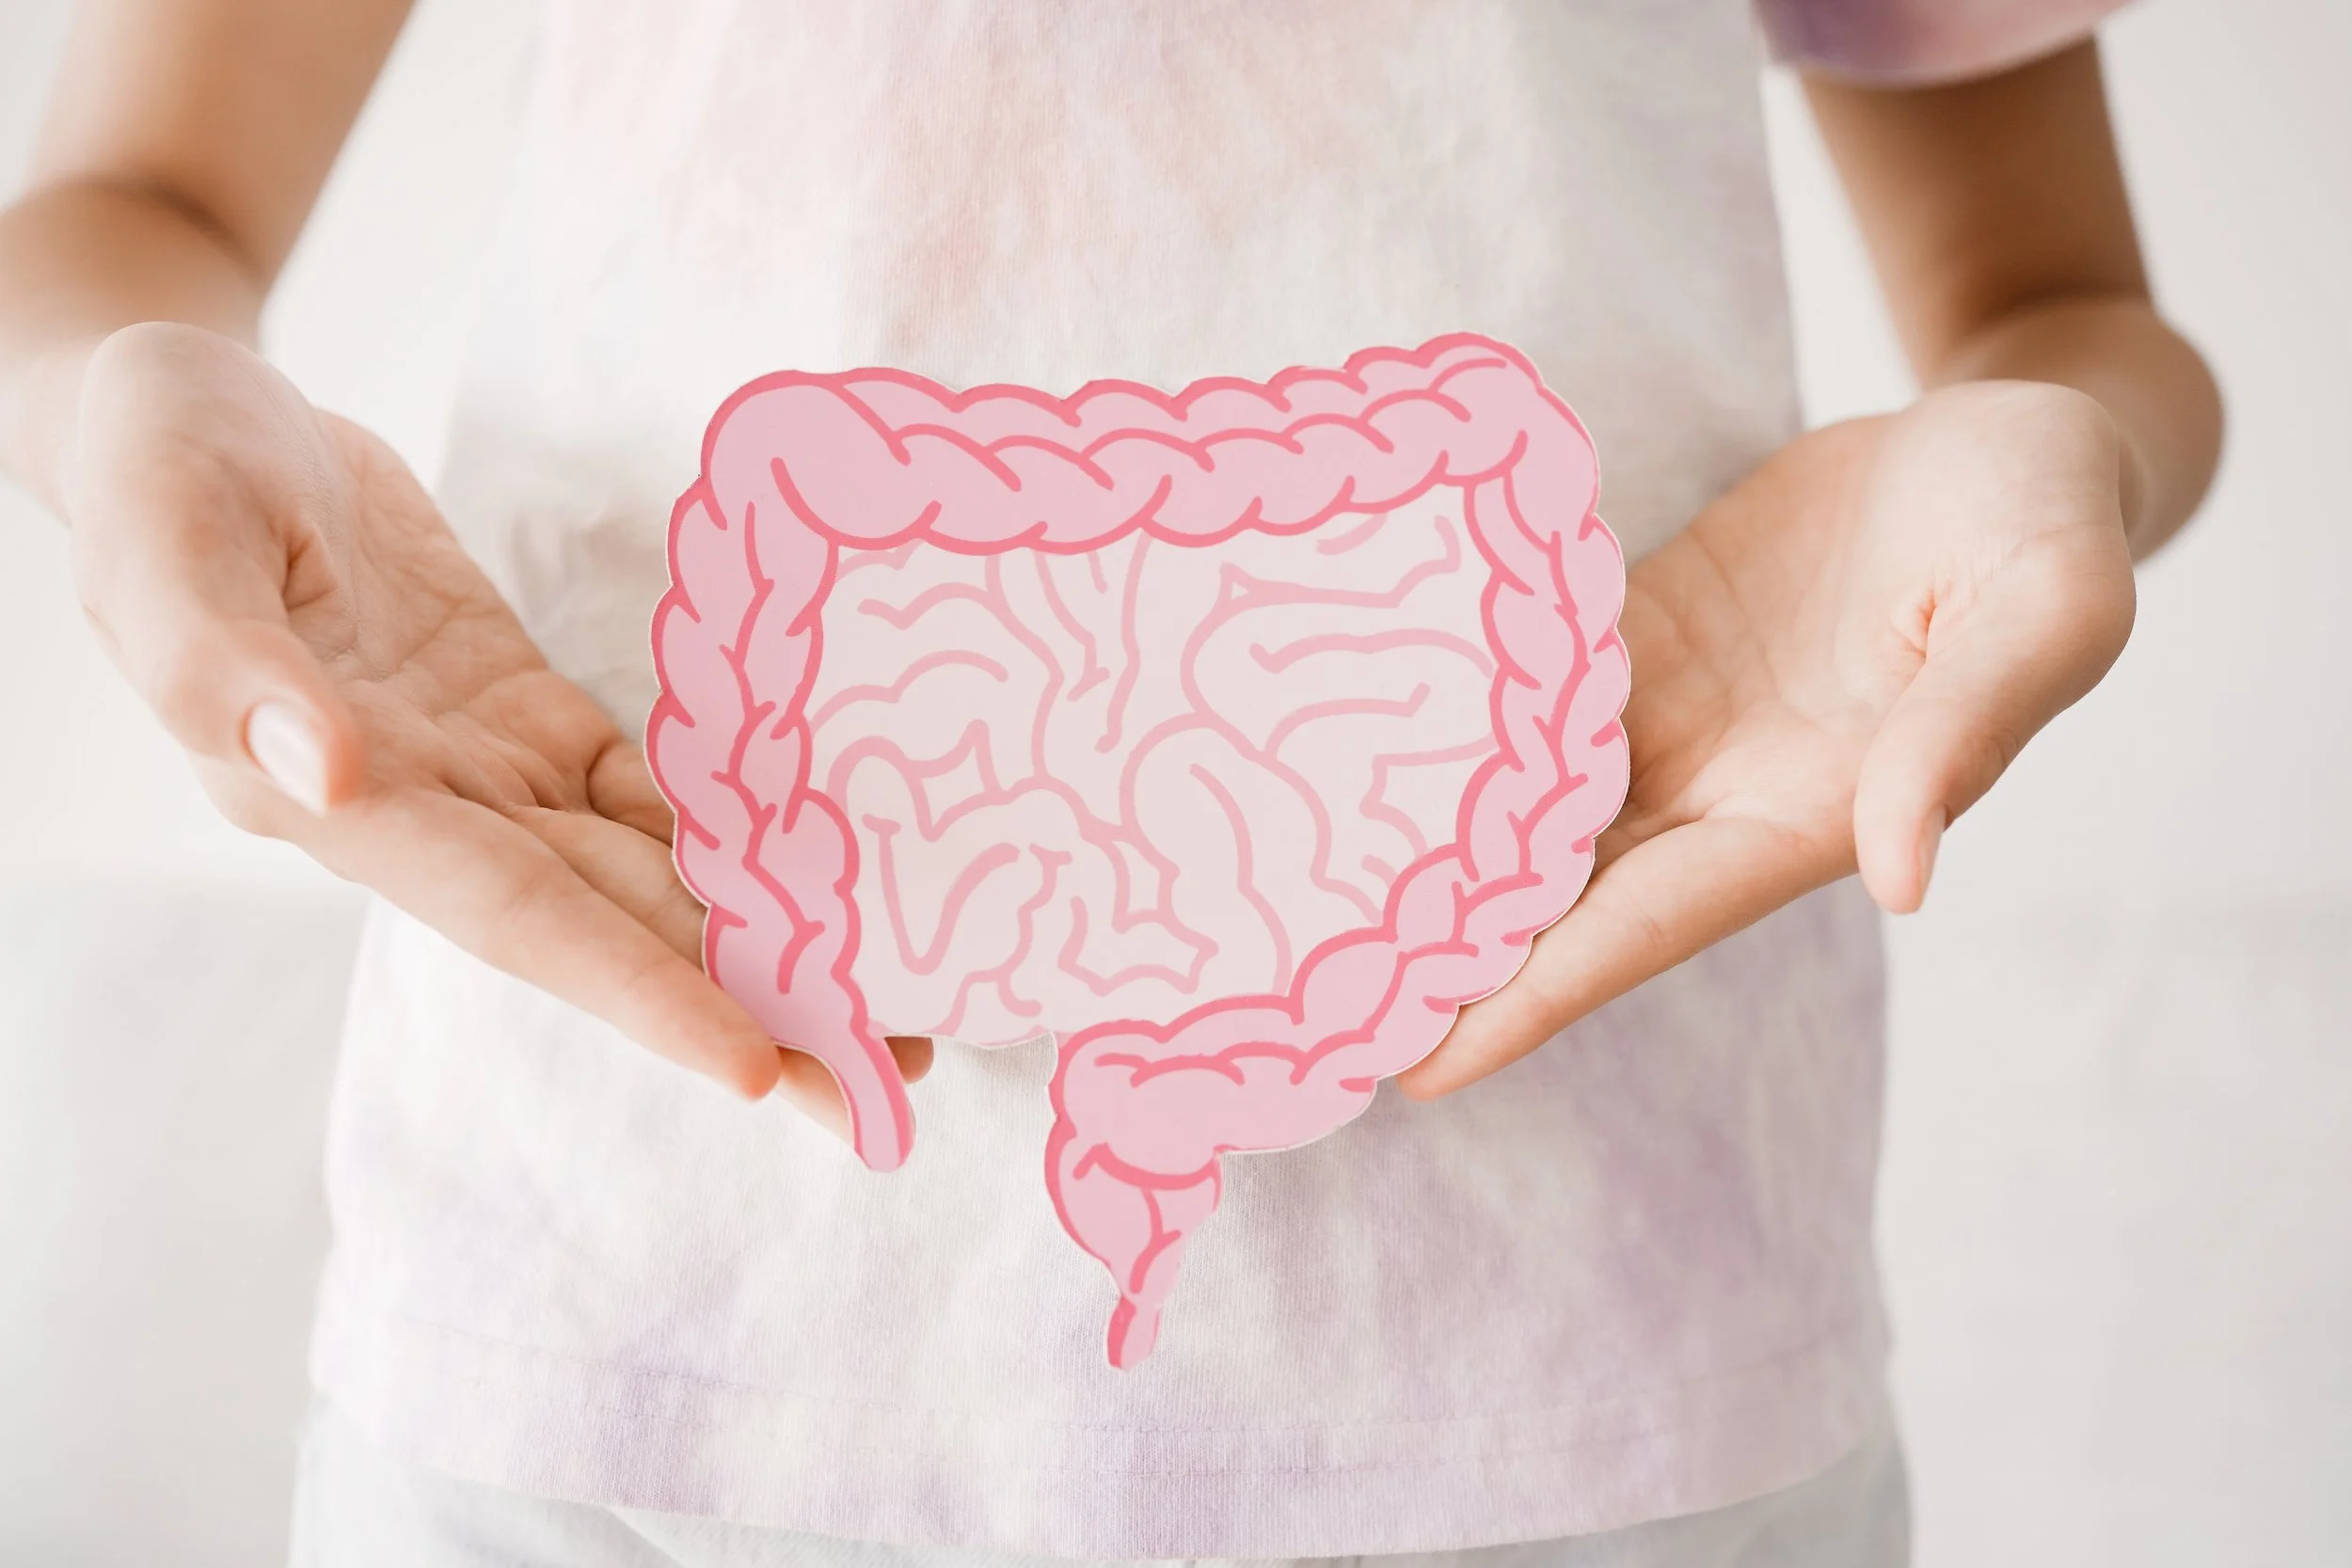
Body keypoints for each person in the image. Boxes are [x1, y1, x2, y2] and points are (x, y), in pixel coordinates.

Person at [0, 1, 2220, 1563]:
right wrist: (125, 411)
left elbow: (2046, 300)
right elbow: (132, 199)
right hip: (622, 1326)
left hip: (1587, 1354)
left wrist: (2063, 457)